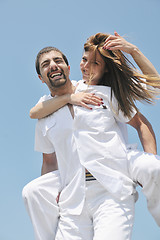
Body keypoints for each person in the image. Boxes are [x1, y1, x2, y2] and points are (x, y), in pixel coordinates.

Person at [23, 32, 160, 240]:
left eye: (58, 60)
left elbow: (144, 113)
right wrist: (56, 192)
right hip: (72, 203)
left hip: (111, 194)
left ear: (69, 68)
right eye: (45, 64)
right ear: (41, 78)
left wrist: (148, 164)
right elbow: (49, 162)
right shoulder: (44, 115)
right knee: (31, 192)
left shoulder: (101, 92)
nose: (52, 65)